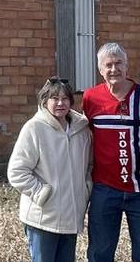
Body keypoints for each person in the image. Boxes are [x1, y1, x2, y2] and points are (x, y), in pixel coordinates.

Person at [83, 42, 140, 262]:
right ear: (100, 70)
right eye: (108, 65)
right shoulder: (90, 98)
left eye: (119, 63)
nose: (114, 69)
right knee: (100, 252)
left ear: (127, 67)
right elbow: (83, 136)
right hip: (104, 189)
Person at [8, 77, 93, 262]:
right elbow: (17, 171)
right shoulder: (34, 128)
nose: (60, 103)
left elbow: (89, 165)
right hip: (43, 218)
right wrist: (41, 193)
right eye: (54, 98)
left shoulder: (82, 129)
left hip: (71, 218)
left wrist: (86, 188)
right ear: (44, 101)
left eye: (65, 98)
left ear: (71, 101)